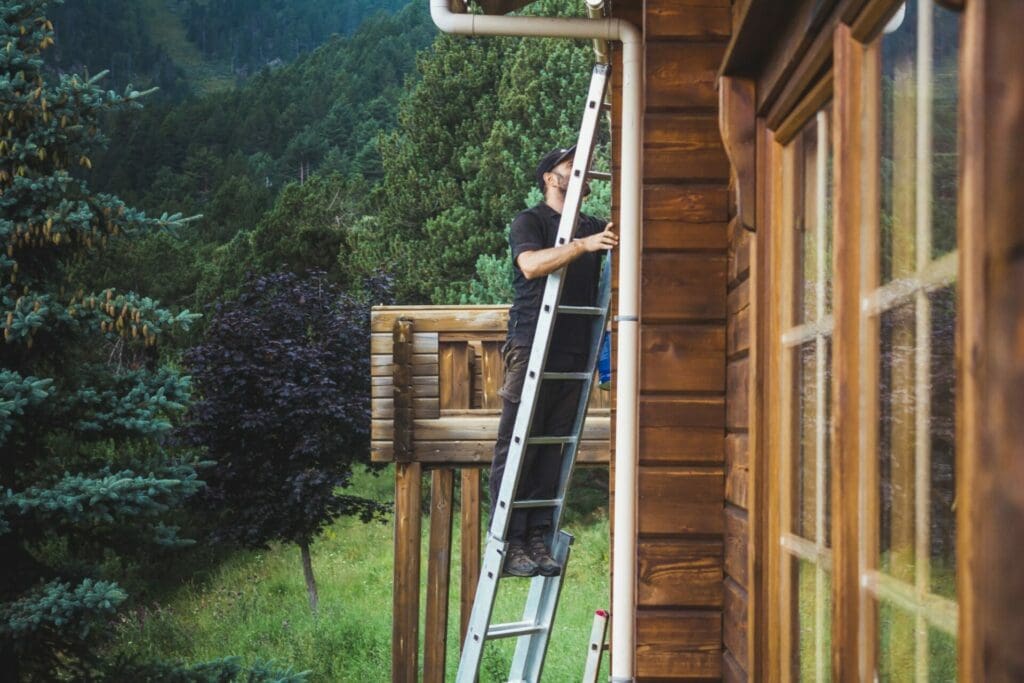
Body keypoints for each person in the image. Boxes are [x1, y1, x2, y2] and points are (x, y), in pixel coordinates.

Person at [491, 145, 618, 577]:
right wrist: (583, 246)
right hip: (531, 345)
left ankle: (537, 539)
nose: (578, 171)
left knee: (552, 447)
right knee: (519, 443)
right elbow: (529, 265)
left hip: (573, 353)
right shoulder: (531, 221)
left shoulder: (590, 227)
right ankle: (508, 542)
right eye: (569, 166)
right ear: (550, 177)